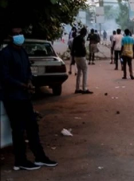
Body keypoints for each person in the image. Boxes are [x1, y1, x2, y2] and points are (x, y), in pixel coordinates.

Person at [0, 27, 58, 170]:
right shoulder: (5, 54)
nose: (19, 36)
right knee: (18, 129)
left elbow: (27, 71)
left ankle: (40, 157)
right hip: (12, 97)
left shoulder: (23, 52)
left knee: (32, 126)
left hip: (24, 96)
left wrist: (29, 82)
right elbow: (5, 77)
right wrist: (22, 85)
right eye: (16, 34)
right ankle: (20, 160)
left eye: (21, 33)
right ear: (10, 36)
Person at [72, 27, 92, 94]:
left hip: (76, 56)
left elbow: (72, 48)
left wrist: (72, 58)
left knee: (79, 73)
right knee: (85, 71)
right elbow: (83, 48)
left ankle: (77, 88)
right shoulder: (82, 39)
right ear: (85, 33)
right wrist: (85, 53)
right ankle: (84, 89)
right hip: (81, 56)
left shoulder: (75, 38)